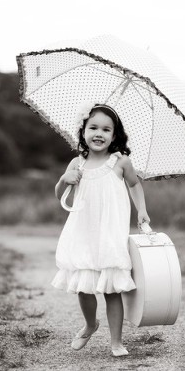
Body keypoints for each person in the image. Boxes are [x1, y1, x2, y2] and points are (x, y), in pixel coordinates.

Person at [52, 103, 150, 357]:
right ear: (83, 131)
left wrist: (141, 209)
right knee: (84, 287)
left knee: (111, 288)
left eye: (106, 129)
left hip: (109, 232)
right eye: (93, 127)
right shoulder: (77, 163)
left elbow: (135, 185)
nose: (99, 133)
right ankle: (90, 323)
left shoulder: (120, 162)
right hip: (83, 230)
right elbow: (58, 194)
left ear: (114, 136)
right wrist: (65, 179)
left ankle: (116, 341)